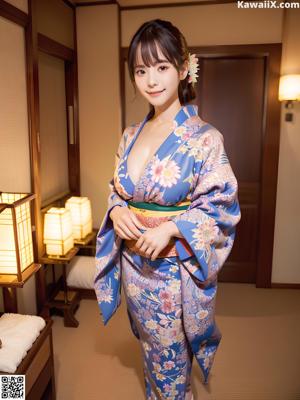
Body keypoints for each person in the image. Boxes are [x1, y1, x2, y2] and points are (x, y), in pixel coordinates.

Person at [94, 19, 241, 400]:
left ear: (182, 67)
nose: (151, 80)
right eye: (141, 70)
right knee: (150, 355)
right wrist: (115, 211)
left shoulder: (205, 138)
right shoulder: (130, 134)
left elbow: (221, 206)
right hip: (134, 268)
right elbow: (117, 189)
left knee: (171, 369)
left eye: (161, 67)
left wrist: (173, 229)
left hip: (170, 274)